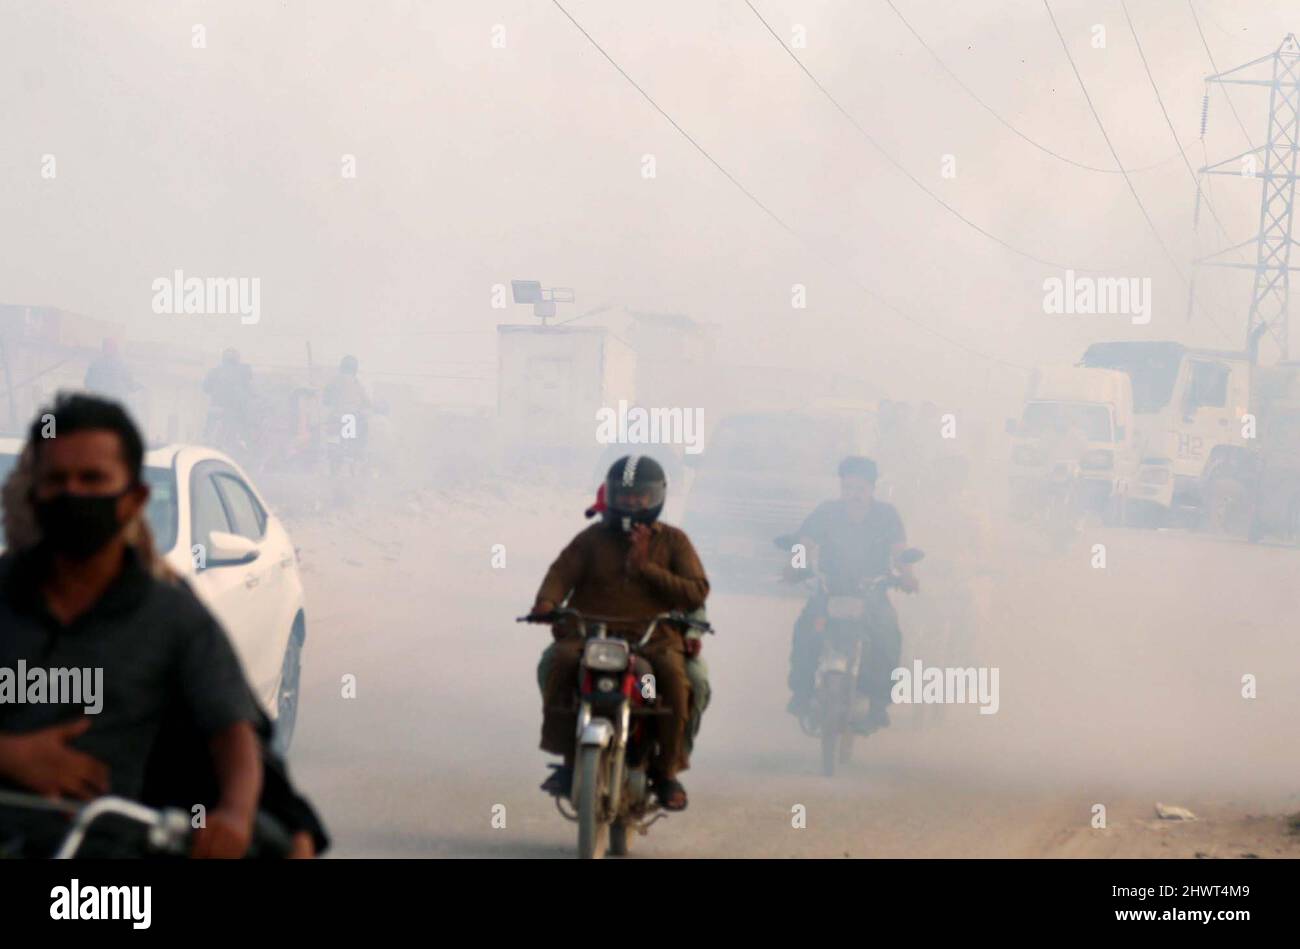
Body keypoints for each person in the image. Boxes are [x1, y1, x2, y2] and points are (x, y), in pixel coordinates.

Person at [0, 393, 320, 857]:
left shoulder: (168, 614)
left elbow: (238, 744)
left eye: (90, 482)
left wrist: (266, 823)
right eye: (51, 485)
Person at [530, 455, 708, 811]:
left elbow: (695, 591)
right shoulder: (591, 539)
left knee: (669, 683)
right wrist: (546, 604)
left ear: (656, 497)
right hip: (589, 636)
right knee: (560, 664)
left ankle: (666, 772)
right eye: (624, 496)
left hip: (653, 643)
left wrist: (647, 569)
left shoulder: (674, 542)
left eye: (640, 497)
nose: (632, 504)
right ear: (609, 495)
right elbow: (559, 575)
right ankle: (567, 761)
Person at [784, 456, 918, 732]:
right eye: (848, 488)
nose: (853, 495)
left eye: (860, 488)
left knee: (888, 638)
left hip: (872, 593)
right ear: (841, 487)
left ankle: (878, 704)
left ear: (872, 488)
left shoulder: (887, 515)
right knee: (806, 632)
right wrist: (794, 566)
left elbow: (899, 550)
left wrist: (907, 575)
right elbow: (805, 542)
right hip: (829, 589)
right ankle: (801, 694)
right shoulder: (826, 512)